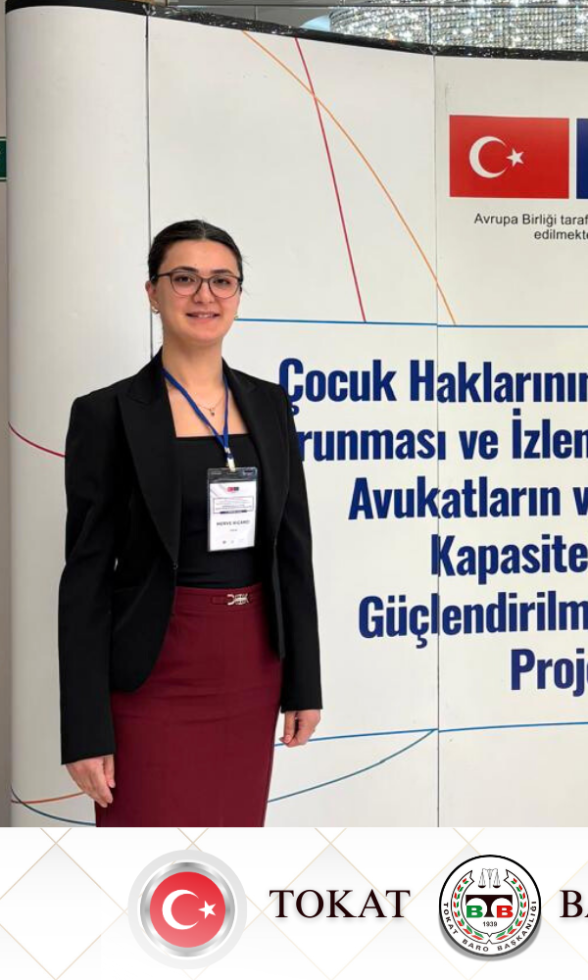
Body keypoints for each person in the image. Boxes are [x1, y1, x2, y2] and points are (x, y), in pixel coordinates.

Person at [58, 219, 322, 826]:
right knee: (146, 856)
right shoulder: (106, 413)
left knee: (229, 852)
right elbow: (86, 578)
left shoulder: (270, 405)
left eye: (222, 281)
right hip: (152, 671)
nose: (205, 295)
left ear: (238, 294)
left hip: (250, 666)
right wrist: (84, 729)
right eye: (184, 279)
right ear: (152, 293)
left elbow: (293, 551)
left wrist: (304, 682)